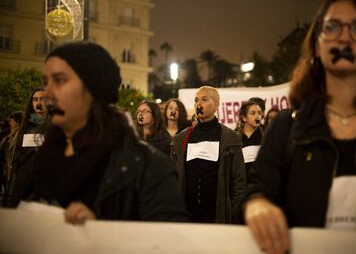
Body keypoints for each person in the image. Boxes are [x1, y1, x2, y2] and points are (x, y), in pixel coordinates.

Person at [243, 0, 356, 254]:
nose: (344, 37)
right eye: (332, 26)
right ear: (316, 45)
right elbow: (257, 190)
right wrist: (257, 205)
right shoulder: (285, 127)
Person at [20, 41, 188, 224]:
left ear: (92, 89)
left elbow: (167, 239)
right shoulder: (41, 159)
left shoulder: (148, 167)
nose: (46, 94)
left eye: (59, 80)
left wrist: (102, 228)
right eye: (45, 83)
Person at [171, 86, 246, 224]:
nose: (199, 104)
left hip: (217, 214)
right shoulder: (181, 139)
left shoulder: (230, 139)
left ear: (216, 104)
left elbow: (238, 181)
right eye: (196, 100)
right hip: (188, 214)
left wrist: (235, 212)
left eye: (204, 99)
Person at [3, 88, 47, 207]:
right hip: (23, 183)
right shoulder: (24, 128)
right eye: (35, 99)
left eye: (42, 99)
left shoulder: (56, 127)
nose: (38, 103)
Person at [235, 101, 264, 178]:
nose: (257, 116)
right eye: (253, 113)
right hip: (243, 182)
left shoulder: (266, 135)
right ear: (244, 118)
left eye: (259, 113)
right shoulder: (235, 137)